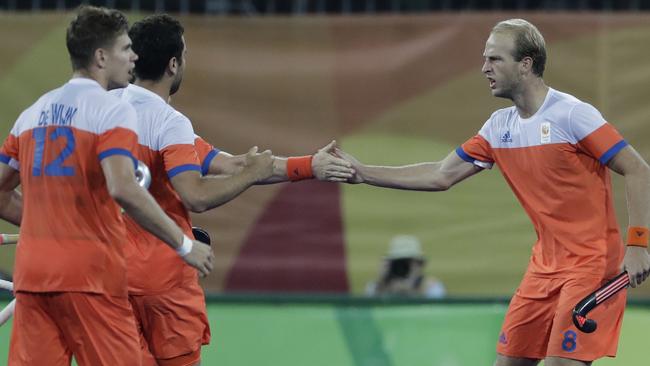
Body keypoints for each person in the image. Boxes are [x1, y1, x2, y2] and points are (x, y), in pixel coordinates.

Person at [335, 18, 650, 366]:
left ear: (526, 64)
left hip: (592, 266)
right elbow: (441, 174)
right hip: (543, 268)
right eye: (486, 59)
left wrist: (638, 244)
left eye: (495, 59)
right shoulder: (498, 127)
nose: (484, 68)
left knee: (561, 363)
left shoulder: (573, 115)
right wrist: (362, 172)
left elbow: (638, 170)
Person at [118, 14, 354, 366]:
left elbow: (234, 163)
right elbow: (196, 195)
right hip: (164, 282)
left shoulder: (103, 112)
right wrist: (251, 176)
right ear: (173, 64)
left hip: (110, 278)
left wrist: (310, 166)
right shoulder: (169, 123)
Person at [0, 6, 214, 366]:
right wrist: (183, 245)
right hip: (91, 277)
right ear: (101, 56)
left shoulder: (31, 114)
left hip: (34, 274)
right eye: (125, 48)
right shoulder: (113, 110)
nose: (134, 56)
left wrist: (51, 226)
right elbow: (123, 188)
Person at [365, 234, 446, 298]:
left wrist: (412, 291)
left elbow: (434, 313)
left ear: (419, 265)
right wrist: (381, 284)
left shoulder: (432, 287)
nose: (402, 267)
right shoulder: (376, 287)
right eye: (398, 262)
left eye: (408, 262)